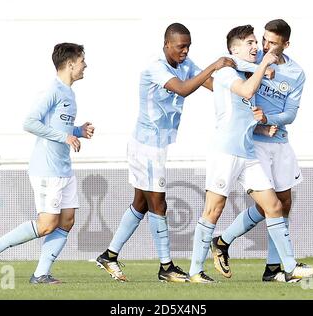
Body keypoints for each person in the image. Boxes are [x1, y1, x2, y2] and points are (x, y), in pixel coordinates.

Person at [95, 22, 235, 283]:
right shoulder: (155, 66)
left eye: (188, 46)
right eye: (181, 46)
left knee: (141, 203)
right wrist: (214, 65)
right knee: (159, 203)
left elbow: (211, 84)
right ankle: (166, 266)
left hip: (157, 145)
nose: (185, 51)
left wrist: (238, 89)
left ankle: (109, 255)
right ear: (167, 44)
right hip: (146, 146)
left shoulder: (185, 63)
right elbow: (183, 88)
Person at [188, 24, 313, 283]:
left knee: (274, 206)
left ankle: (289, 267)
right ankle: (195, 271)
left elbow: (246, 112)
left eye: (255, 41)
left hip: (248, 152)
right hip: (225, 152)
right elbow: (248, 91)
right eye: (250, 42)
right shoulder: (227, 72)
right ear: (233, 49)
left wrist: (263, 126)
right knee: (213, 210)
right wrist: (264, 67)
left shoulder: (248, 70)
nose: (256, 47)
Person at [0, 43, 95, 284]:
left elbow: (58, 127)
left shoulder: (69, 93)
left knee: (67, 220)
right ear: (71, 63)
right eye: (83, 60)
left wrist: (78, 131)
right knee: (47, 225)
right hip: (46, 169)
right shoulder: (51, 91)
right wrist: (65, 136)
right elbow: (30, 123)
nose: (86, 65)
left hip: (63, 167)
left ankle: (41, 274)